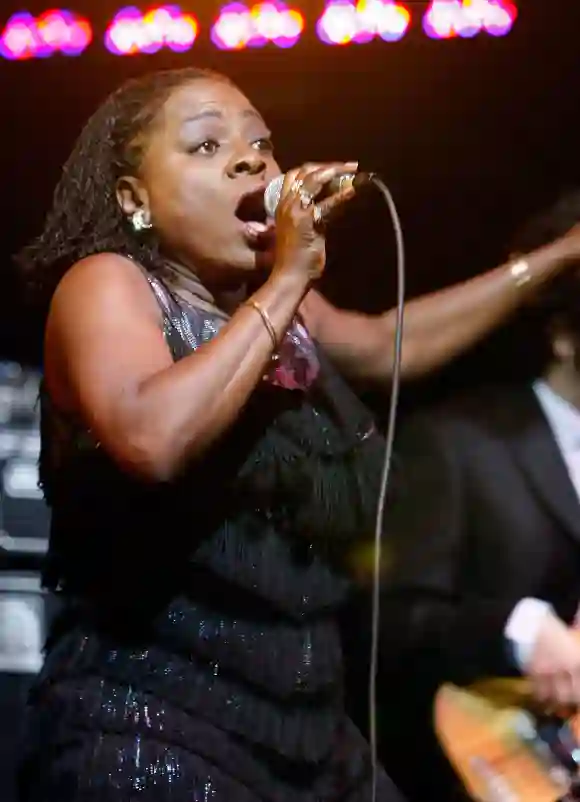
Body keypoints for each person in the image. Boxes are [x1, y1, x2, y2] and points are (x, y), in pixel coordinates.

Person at [13, 67, 580, 801]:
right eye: (206, 146)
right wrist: (287, 281)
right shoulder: (109, 282)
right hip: (155, 729)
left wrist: (560, 256)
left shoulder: (277, 313)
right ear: (134, 199)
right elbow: (150, 440)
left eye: (261, 143)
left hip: (305, 732)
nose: (251, 160)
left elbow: (382, 348)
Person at [374, 191, 580, 802]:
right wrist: (520, 628)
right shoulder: (456, 442)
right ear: (564, 336)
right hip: (493, 770)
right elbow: (388, 620)